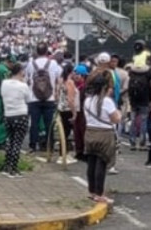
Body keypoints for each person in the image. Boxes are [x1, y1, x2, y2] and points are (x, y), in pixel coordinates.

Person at [84, 71, 121, 203]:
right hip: (104, 134)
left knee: (91, 163)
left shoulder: (87, 101)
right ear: (105, 87)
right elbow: (116, 119)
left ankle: (92, 191)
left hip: (89, 133)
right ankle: (99, 193)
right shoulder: (107, 102)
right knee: (101, 163)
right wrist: (119, 114)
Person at [25, 43, 62, 153]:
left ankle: (33, 146)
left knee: (34, 123)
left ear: (36, 51)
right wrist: (56, 92)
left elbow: (27, 80)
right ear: (47, 52)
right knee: (49, 123)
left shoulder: (31, 64)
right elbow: (58, 79)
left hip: (34, 98)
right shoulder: (53, 63)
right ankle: (49, 146)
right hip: (49, 98)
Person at [1, 63, 31, 178]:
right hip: (21, 114)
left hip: (8, 114)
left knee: (10, 141)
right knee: (17, 143)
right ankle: (13, 169)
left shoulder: (4, 83)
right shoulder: (22, 85)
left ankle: (6, 166)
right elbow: (28, 99)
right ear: (20, 72)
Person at [56, 63, 79, 163]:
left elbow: (56, 94)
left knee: (63, 133)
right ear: (71, 72)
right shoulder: (70, 82)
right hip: (68, 109)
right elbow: (70, 99)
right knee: (66, 132)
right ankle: (63, 155)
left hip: (61, 108)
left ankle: (63, 153)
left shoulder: (61, 81)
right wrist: (74, 113)